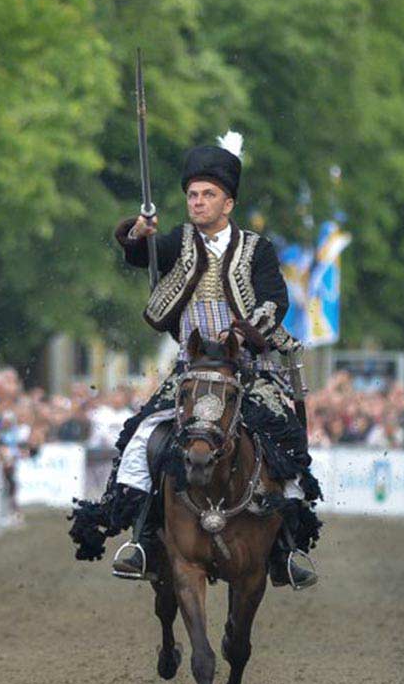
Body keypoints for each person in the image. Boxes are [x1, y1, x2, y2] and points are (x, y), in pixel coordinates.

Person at [68, 135, 320, 590]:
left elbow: (274, 300)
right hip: (190, 371)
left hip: (247, 372)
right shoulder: (179, 242)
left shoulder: (257, 249)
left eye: (207, 195)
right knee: (143, 434)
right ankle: (142, 537)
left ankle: (286, 547)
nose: (197, 202)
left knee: (287, 446)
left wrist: (240, 334)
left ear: (228, 203)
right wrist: (137, 234)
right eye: (192, 195)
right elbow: (139, 254)